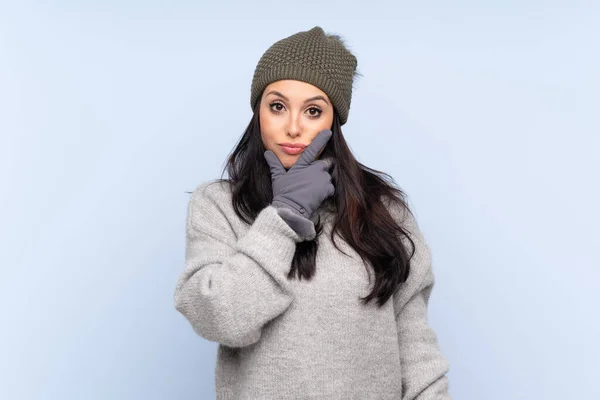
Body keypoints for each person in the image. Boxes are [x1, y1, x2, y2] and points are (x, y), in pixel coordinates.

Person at [174, 26, 451, 400]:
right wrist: (285, 215)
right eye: (277, 106)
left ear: (333, 122)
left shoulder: (383, 210)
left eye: (313, 111)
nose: (293, 126)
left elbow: (417, 350)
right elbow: (222, 318)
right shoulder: (219, 206)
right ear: (258, 112)